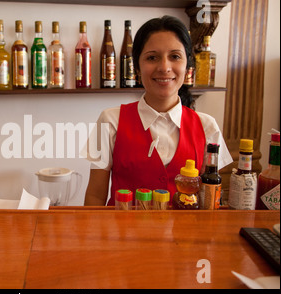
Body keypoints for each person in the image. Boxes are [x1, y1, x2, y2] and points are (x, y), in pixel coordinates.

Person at [84, 15, 233, 206]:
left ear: (188, 67)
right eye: (152, 57)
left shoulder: (207, 126)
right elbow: (95, 197)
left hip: (185, 235)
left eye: (175, 56)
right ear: (136, 67)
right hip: (121, 234)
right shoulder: (110, 120)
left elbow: (211, 199)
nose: (164, 67)